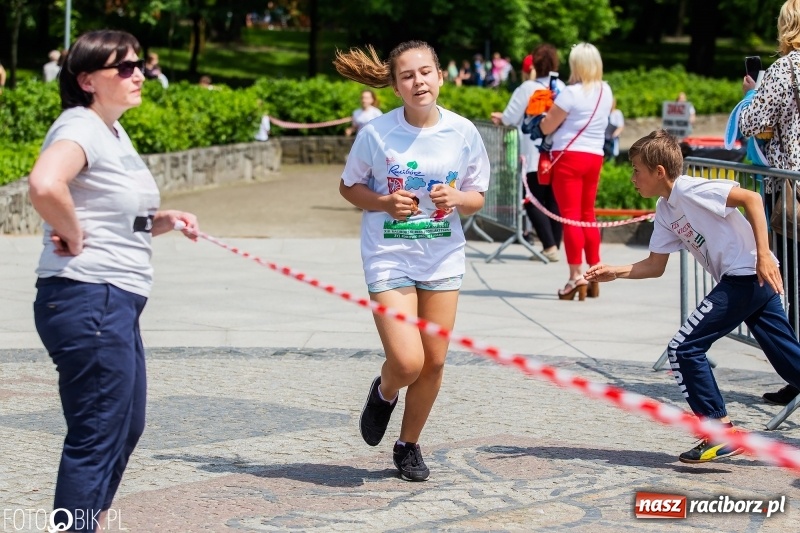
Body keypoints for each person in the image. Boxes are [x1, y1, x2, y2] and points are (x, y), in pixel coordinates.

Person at [27, 29, 199, 530]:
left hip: (113, 299)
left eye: (139, 64)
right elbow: (44, 184)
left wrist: (159, 221)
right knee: (98, 432)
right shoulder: (79, 125)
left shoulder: (112, 131)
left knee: (125, 426)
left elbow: (111, 208)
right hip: (88, 295)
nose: (137, 74)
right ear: (87, 80)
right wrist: (73, 235)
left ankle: (90, 521)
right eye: (123, 68)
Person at [586, 129, 800, 463]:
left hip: (747, 275)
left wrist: (761, 255)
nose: (632, 179)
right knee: (791, 364)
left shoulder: (690, 188)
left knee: (684, 347)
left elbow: (752, 199)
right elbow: (655, 265)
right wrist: (617, 270)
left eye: (637, 171)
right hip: (749, 280)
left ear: (659, 172)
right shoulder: (665, 209)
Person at [333, 41, 490, 481]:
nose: (418, 81)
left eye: (425, 72)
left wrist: (458, 197)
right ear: (396, 86)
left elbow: (477, 194)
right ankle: (384, 392)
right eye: (407, 76)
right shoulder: (377, 134)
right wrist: (384, 202)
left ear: (441, 76)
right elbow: (349, 188)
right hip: (389, 256)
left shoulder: (463, 132)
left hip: (442, 258)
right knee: (407, 362)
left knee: (435, 361)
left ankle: (408, 446)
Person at [738, 0, 800, 405]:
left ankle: (797, 375)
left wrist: (753, 94)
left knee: (791, 282)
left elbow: (750, 122)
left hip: (793, 190)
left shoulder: (785, 69)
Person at [538, 42, 613, 300]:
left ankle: (575, 276)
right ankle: (594, 272)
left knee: (570, 217)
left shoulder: (570, 93)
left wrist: (543, 114)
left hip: (568, 157)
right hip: (595, 156)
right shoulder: (606, 91)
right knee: (587, 214)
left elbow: (547, 127)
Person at [491, 43, 565, 262]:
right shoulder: (560, 86)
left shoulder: (527, 88)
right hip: (556, 153)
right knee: (553, 200)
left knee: (530, 199)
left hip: (532, 153)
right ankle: (554, 246)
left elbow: (509, 118)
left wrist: (499, 119)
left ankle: (549, 246)